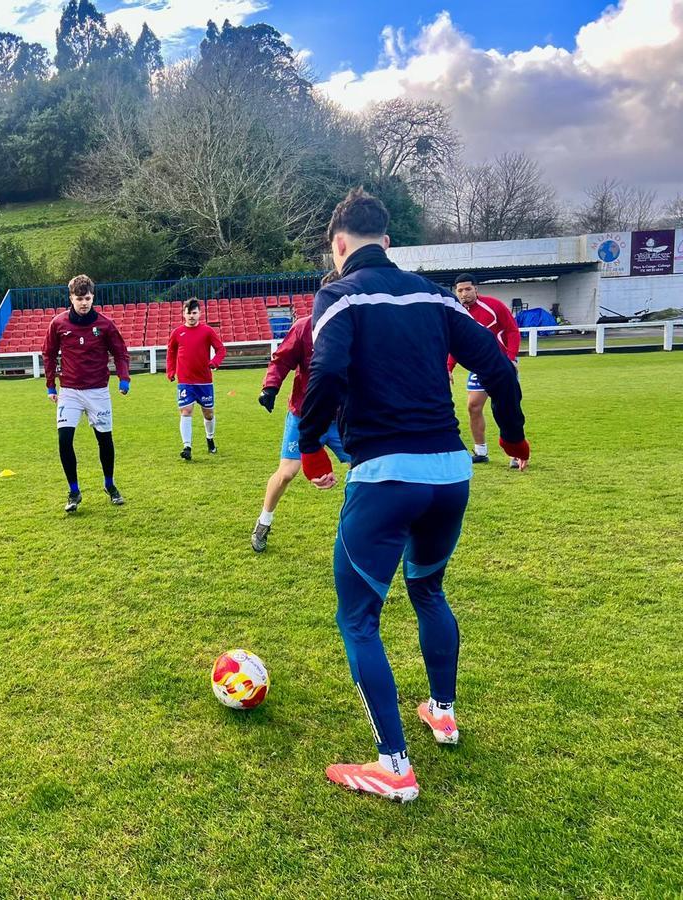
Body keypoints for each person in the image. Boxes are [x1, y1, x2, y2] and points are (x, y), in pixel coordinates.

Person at [297, 188, 528, 803]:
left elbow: (327, 373)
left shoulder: (338, 294)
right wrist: (513, 437)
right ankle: (442, 713)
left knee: (358, 619)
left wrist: (312, 444)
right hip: (451, 473)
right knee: (427, 589)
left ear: (338, 245)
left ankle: (394, 765)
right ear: (389, 243)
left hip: (386, 477)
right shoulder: (433, 293)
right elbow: (501, 367)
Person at [250, 272, 349, 553]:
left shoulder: (359, 328)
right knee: (287, 472)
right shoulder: (305, 327)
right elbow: (281, 360)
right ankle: (263, 522)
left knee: (367, 469)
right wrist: (270, 388)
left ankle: (366, 530)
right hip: (304, 415)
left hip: (344, 417)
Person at [42, 274, 130, 512]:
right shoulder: (58, 324)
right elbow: (48, 354)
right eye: (79, 298)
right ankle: (73, 491)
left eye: (87, 298)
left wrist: (124, 378)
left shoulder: (105, 325)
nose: (84, 303)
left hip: (98, 392)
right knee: (64, 440)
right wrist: (51, 385)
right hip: (69, 391)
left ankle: (110, 485)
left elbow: (121, 352)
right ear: (71, 298)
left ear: (93, 297)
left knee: (104, 440)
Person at [447, 273, 522, 466]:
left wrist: (511, 358)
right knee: (473, 406)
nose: (464, 294)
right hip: (479, 368)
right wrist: (448, 367)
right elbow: (457, 345)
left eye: (468, 289)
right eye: (460, 290)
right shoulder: (457, 313)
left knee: (507, 406)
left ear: (476, 289)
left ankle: (514, 453)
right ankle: (480, 451)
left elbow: (513, 331)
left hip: (501, 365)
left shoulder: (494, 306)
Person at [166, 298, 226, 460]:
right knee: (186, 411)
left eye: (194, 313)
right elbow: (171, 353)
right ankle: (187, 446)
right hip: (185, 381)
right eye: (188, 313)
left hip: (204, 381)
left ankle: (210, 438)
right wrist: (171, 370)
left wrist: (214, 362)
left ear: (199, 313)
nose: (191, 316)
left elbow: (221, 349)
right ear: (183, 314)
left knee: (208, 414)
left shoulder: (207, 331)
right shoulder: (177, 333)